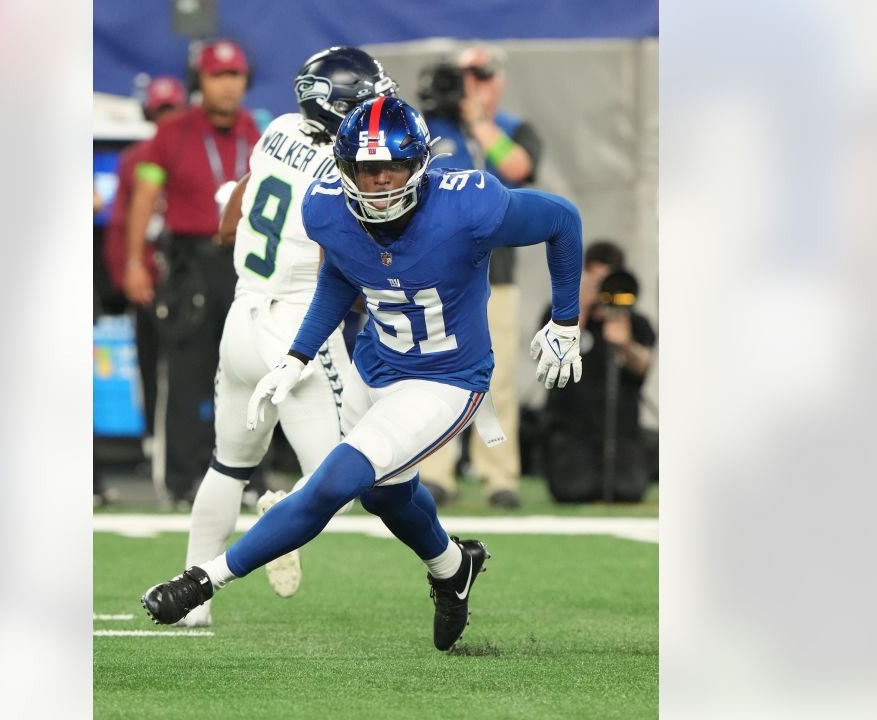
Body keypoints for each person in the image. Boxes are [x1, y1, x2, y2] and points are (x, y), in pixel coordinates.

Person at [142, 97, 584, 651]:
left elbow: (562, 220)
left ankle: (203, 579)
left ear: (418, 164)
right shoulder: (327, 205)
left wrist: (566, 321)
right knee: (384, 494)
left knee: (336, 479)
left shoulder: (469, 206)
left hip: (446, 377)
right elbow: (340, 277)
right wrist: (298, 355)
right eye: (363, 169)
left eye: (390, 168)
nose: (376, 183)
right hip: (374, 365)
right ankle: (452, 567)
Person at [175, 46, 398, 628]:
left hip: (242, 313)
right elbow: (338, 261)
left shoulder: (274, 129)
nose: (376, 105)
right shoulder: (344, 167)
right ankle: (280, 515)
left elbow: (233, 219)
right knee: (340, 482)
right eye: (369, 95)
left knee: (227, 466)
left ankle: (193, 598)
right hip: (298, 330)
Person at [122, 40, 261, 505]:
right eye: (218, 76)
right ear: (199, 82)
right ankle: (181, 481)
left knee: (250, 371)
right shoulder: (174, 131)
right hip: (190, 265)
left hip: (245, 263)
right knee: (185, 373)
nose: (228, 85)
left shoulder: (258, 131)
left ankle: (246, 477)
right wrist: (134, 261)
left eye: (235, 75)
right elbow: (145, 195)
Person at [417, 44, 543, 509]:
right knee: (436, 374)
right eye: (463, 76)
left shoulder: (510, 129)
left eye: (480, 75)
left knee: (499, 377)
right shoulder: (431, 129)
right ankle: (435, 473)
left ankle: (499, 474)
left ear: (497, 80)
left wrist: (477, 121)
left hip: (496, 272)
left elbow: (519, 168)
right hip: (439, 273)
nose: (471, 83)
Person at [104, 75, 187, 448]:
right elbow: (120, 223)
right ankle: (155, 442)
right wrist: (128, 273)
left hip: (189, 276)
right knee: (151, 364)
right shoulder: (134, 159)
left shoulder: (192, 149)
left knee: (195, 367)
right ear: (149, 113)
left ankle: (195, 445)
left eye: (172, 109)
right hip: (150, 277)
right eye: (160, 110)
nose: (167, 117)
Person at [541, 240, 656, 503]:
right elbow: (548, 362)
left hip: (620, 433)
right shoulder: (558, 316)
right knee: (573, 490)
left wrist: (625, 343)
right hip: (573, 432)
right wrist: (576, 314)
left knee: (629, 491)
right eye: (595, 281)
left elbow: (643, 368)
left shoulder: (636, 323)